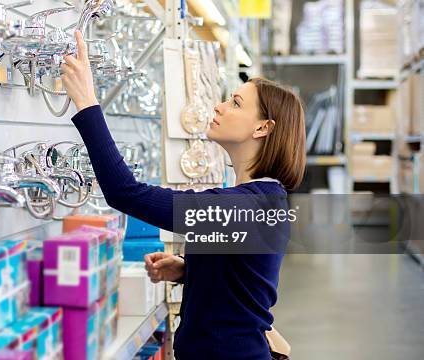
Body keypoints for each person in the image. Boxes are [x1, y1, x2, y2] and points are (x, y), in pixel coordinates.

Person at [61, 31, 306, 360]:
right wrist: (190, 270)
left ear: (262, 128)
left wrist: (87, 103)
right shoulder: (260, 198)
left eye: (235, 103)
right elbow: (247, 278)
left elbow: (125, 193)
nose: (219, 106)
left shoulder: (245, 206)